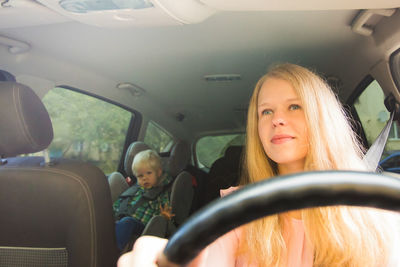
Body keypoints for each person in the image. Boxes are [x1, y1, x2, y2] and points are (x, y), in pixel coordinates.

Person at [117, 63, 400, 266]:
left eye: (294, 106)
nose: (277, 119)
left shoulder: (375, 206)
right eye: (266, 111)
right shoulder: (237, 208)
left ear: (321, 116)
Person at [114, 149, 174, 251]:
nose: (144, 178)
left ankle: (113, 251)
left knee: (127, 222)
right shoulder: (134, 190)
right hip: (124, 221)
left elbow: (164, 215)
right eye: (140, 176)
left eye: (148, 173)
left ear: (158, 172)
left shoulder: (161, 194)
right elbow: (119, 203)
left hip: (142, 227)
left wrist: (165, 216)